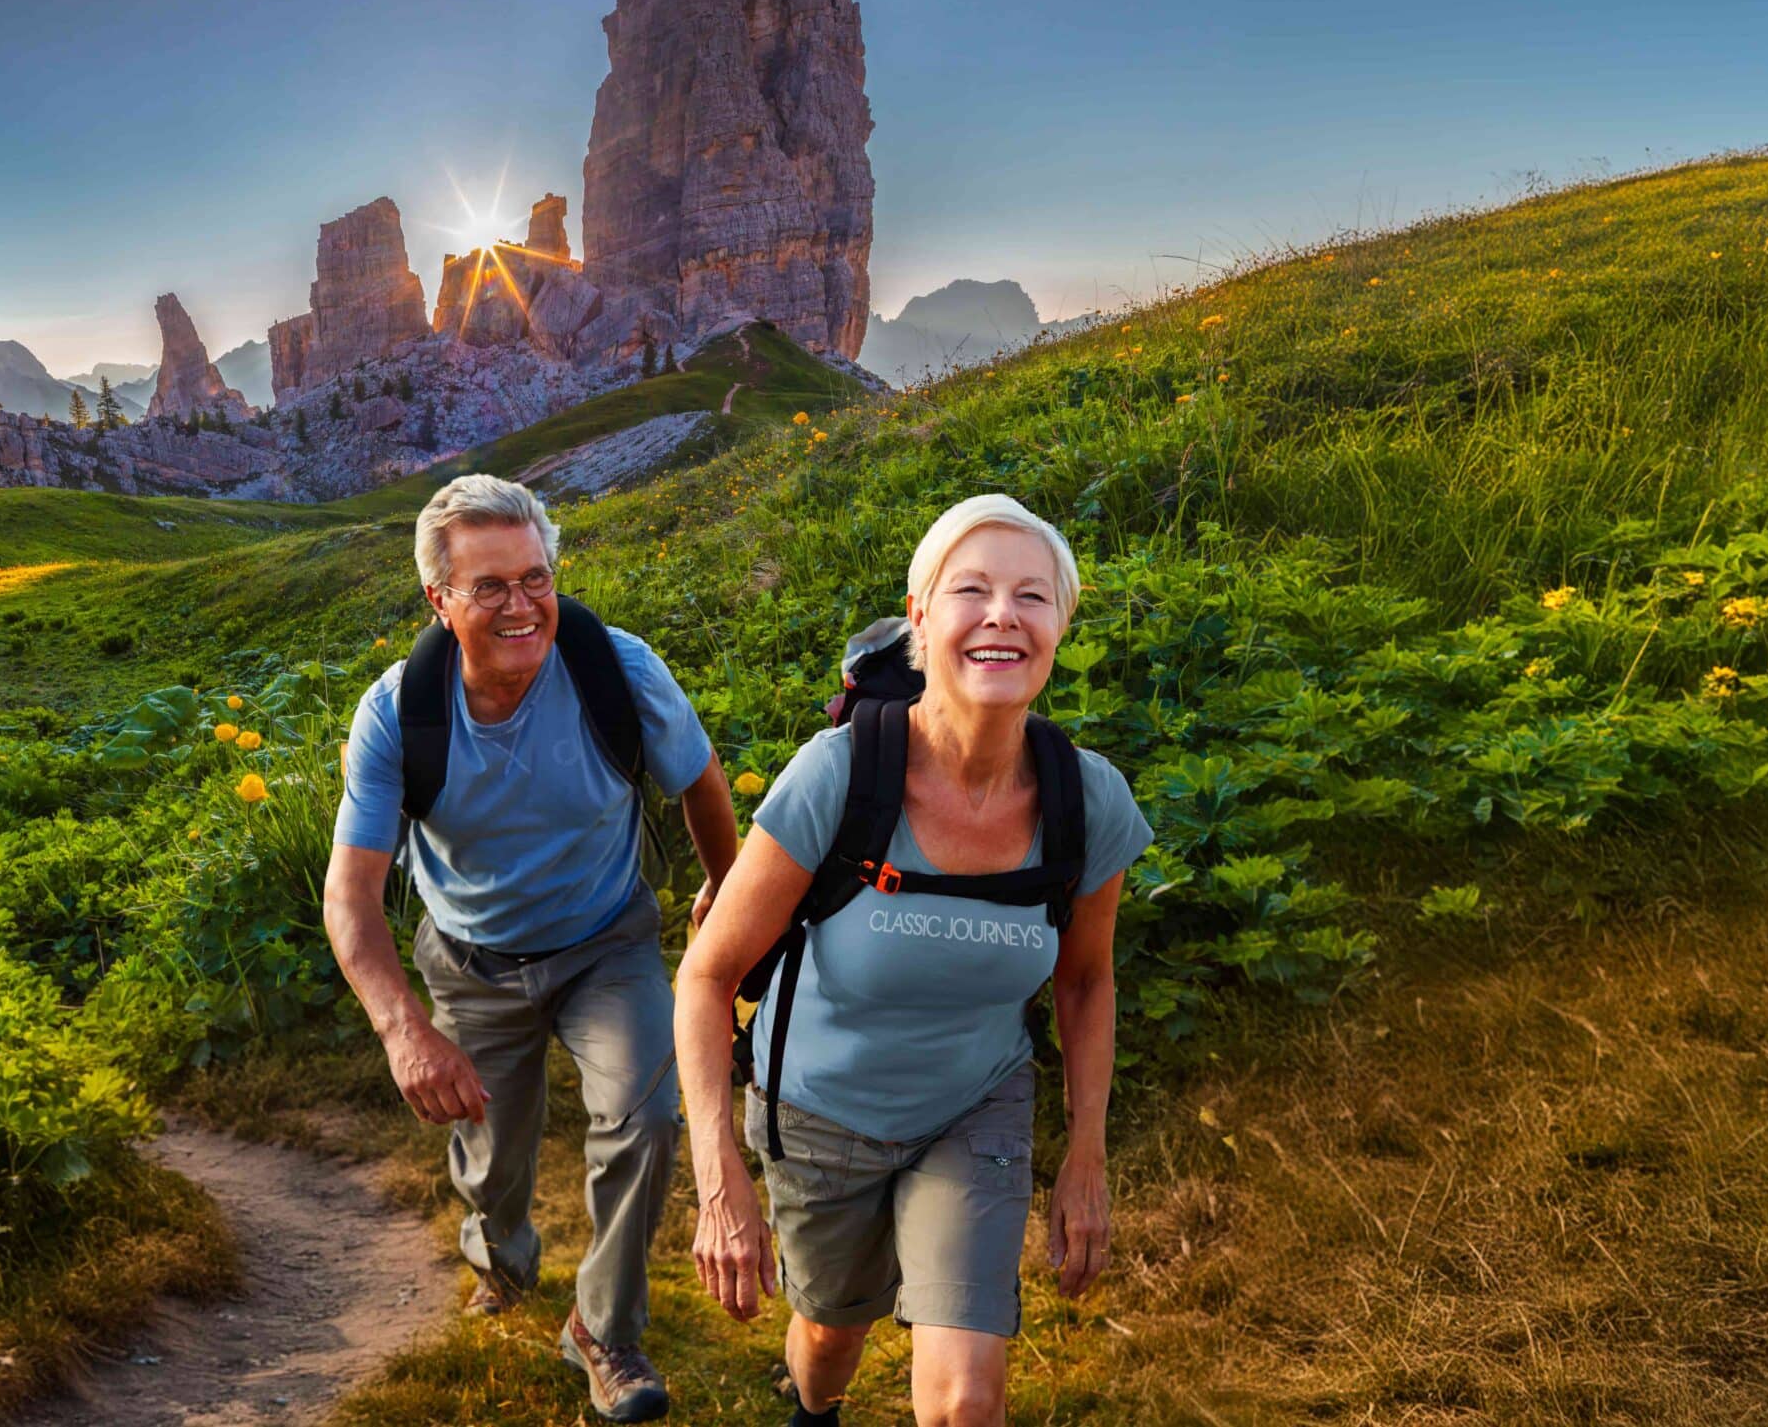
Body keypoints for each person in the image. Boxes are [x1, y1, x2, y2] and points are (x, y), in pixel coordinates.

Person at [672, 494, 1156, 1427]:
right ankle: (814, 1408)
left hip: (974, 1106)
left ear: (1059, 626)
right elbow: (705, 973)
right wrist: (718, 1173)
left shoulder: (1086, 799)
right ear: (921, 619)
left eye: (1033, 595)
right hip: (820, 1110)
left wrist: (1085, 1154)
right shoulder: (839, 773)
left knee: (968, 1399)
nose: (1002, 615)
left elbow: (1087, 980)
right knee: (828, 1343)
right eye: (970, 590)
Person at [322, 474, 741, 1424]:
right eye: (490, 586)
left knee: (646, 1116)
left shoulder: (617, 668)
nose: (522, 604)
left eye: (535, 577)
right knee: (492, 1161)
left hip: (609, 942)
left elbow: (703, 782)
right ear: (439, 598)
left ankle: (605, 1332)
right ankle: (501, 1252)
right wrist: (404, 1031)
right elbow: (349, 896)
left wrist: (727, 899)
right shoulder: (397, 713)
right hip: (471, 962)